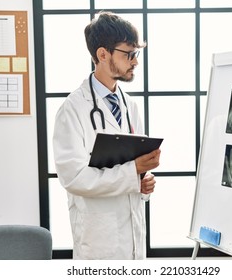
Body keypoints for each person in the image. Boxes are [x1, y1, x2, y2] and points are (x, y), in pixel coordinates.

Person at [52, 11, 161, 260]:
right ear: (103, 54)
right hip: (99, 241)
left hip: (132, 237)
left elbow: (135, 166)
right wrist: (133, 171)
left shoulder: (130, 105)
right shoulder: (72, 109)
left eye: (137, 54)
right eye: (129, 54)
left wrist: (143, 183)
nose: (135, 61)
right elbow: (74, 178)